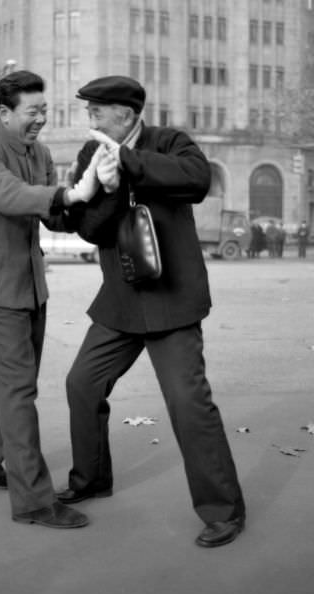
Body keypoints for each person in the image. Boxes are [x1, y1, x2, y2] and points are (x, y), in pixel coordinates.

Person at [56, 75, 245, 548]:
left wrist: (128, 163)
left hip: (173, 301)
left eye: (96, 112)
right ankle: (91, 478)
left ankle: (223, 511)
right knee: (82, 383)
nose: (90, 121)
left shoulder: (171, 142)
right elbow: (90, 230)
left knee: (187, 402)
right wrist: (107, 186)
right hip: (120, 303)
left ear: (125, 115)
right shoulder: (89, 154)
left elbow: (196, 180)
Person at [0, 70, 100, 530]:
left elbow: (53, 214)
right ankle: (33, 501)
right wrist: (68, 193)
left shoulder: (40, 152)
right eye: (33, 112)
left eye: (44, 110)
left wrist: (93, 203)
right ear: (4, 112)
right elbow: (10, 196)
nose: (40, 119)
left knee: (10, 381)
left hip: (28, 283)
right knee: (17, 389)